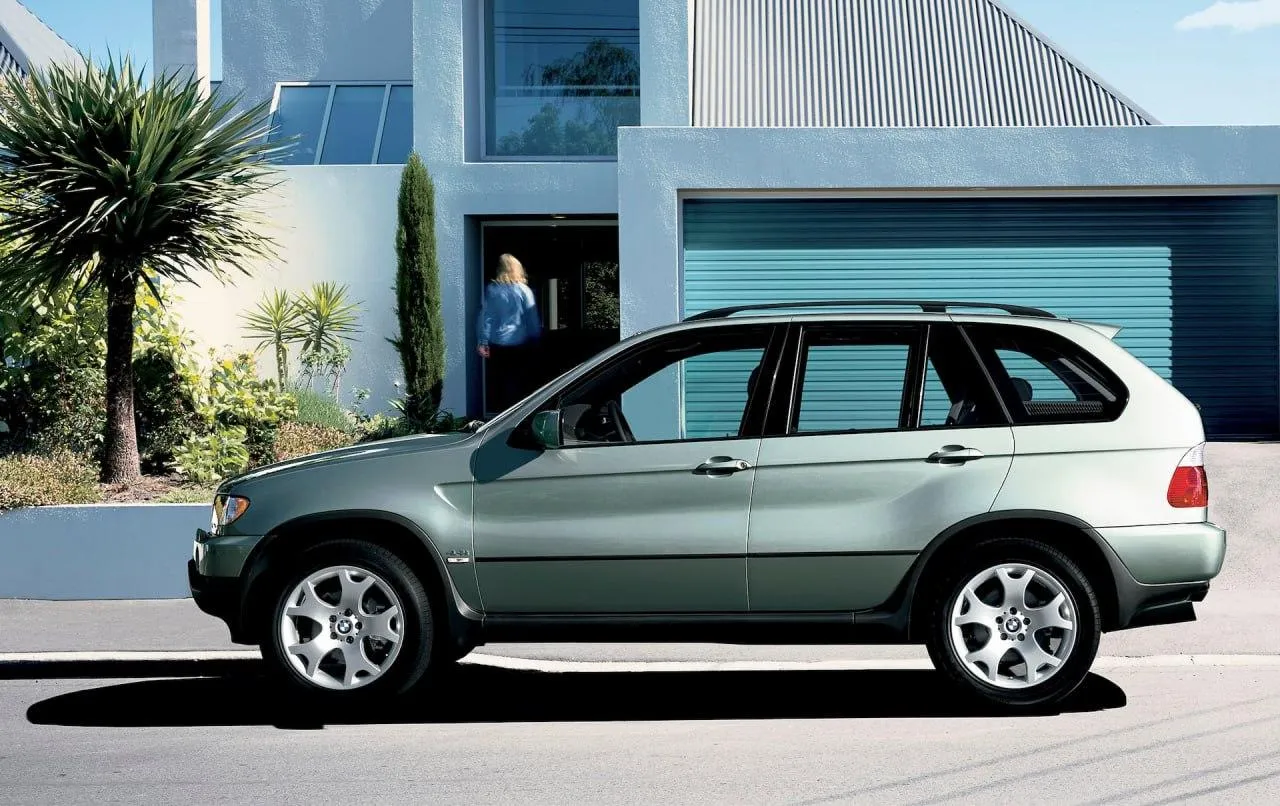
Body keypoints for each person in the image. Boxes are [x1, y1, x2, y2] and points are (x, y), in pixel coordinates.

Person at [477, 253, 542, 412]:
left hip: (497, 343)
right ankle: (518, 413)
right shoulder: (524, 290)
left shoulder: (492, 290)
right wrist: (536, 338)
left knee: (499, 380)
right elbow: (532, 318)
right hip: (520, 343)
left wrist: (483, 341)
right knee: (519, 381)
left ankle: (502, 413)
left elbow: (486, 317)